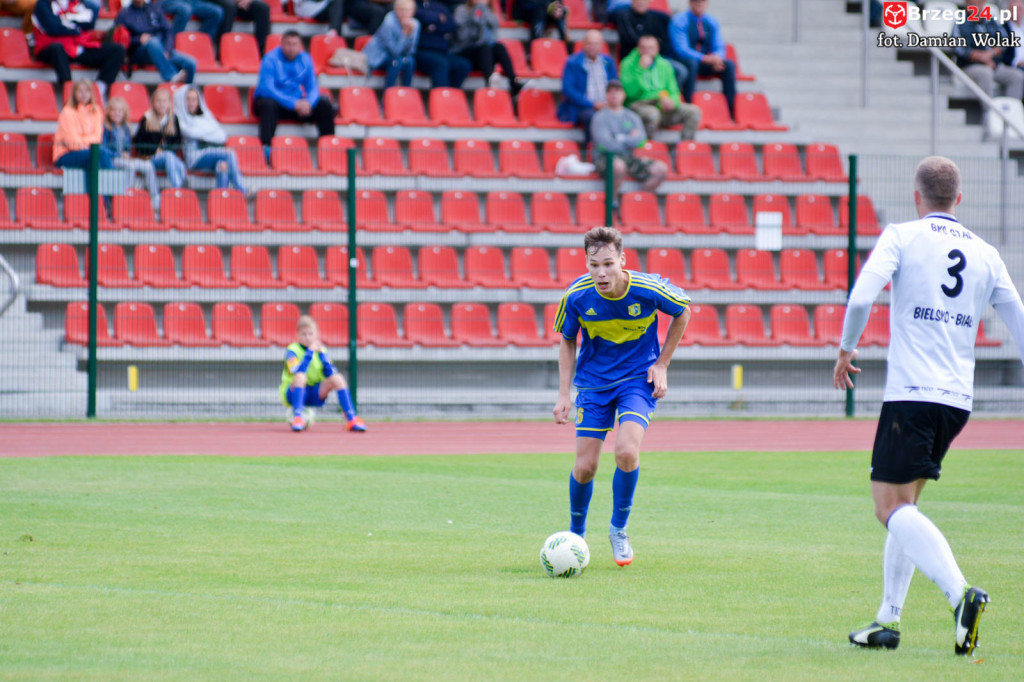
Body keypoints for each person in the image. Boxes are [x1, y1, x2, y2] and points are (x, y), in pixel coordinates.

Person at [834, 156, 1024, 655]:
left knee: (888, 507)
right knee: (907, 505)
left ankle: (961, 594)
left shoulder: (902, 235)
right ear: (958, 199)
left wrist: (846, 349)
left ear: (917, 197)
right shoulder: (986, 252)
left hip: (912, 394)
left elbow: (859, 299)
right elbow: (1018, 320)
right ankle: (887, 621)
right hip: (957, 400)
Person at [552, 226, 690, 567]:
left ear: (622, 261)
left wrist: (662, 364)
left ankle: (618, 529)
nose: (601, 273)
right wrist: (563, 393)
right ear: (586, 263)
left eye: (609, 264)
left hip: (636, 380)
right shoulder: (576, 296)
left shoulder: (647, 288)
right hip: (594, 383)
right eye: (594, 265)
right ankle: (576, 537)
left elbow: (683, 310)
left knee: (627, 452)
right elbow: (567, 340)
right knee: (585, 468)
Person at [253, 30, 336, 155]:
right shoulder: (270, 59)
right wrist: (294, 104)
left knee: (324, 104)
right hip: (275, 103)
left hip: (297, 104)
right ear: (282, 44)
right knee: (268, 105)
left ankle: (330, 149)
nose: (291, 48)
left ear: (300, 45)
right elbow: (267, 89)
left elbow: (313, 87)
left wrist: (308, 103)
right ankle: (266, 149)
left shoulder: (306, 59)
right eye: (288, 44)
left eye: (294, 44)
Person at [280, 315, 367, 433]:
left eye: (310, 334)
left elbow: (330, 372)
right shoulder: (293, 350)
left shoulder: (322, 350)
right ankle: (297, 417)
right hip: (293, 393)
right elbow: (296, 371)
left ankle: (351, 418)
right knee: (300, 377)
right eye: (303, 334)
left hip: (315, 393)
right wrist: (309, 353)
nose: (307, 337)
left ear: (316, 335)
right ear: (297, 335)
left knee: (338, 378)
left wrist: (322, 356)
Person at [591, 79, 668, 201]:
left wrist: (618, 138)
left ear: (623, 94)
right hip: (605, 158)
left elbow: (641, 140)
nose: (614, 94)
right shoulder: (599, 117)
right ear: (606, 95)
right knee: (618, 166)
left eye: (617, 91)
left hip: (628, 157)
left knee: (660, 169)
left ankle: (638, 203)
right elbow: (606, 144)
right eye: (610, 91)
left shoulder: (632, 116)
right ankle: (612, 203)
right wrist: (629, 138)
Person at [32, 0, 126, 100]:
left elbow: (89, 21)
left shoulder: (76, 3)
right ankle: (69, 93)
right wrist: (74, 26)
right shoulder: (43, 4)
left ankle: (98, 91)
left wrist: (64, 21)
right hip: (51, 48)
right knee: (57, 48)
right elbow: (53, 27)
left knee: (118, 50)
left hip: (77, 47)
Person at [619, 35, 701, 140]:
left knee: (693, 111)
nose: (647, 51)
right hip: (638, 106)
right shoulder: (627, 64)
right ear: (638, 48)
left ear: (657, 49)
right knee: (652, 114)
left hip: (661, 106)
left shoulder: (664, 65)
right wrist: (640, 69)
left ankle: (685, 149)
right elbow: (630, 92)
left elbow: (673, 90)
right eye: (643, 48)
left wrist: (672, 102)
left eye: (651, 48)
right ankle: (646, 148)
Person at [174, 85, 248, 194]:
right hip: (195, 158)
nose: (191, 103)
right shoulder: (179, 118)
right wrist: (208, 132)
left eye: (194, 99)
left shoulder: (205, 116)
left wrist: (200, 134)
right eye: (188, 99)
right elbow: (189, 132)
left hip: (210, 156)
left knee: (223, 166)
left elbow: (221, 136)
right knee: (229, 154)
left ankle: (220, 201)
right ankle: (241, 190)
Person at [670, 0, 737, 118]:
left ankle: (731, 111)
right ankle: (688, 106)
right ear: (690, 3)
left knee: (729, 65)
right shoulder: (680, 20)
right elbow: (681, 49)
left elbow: (719, 45)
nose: (699, 4)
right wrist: (704, 58)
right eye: (695, 1)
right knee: (692, 64)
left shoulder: (711, 21)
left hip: (705, 61)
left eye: (702, 1)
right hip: (686, 61)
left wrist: (717, 58)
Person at [557, 30, 618, 161]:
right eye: (590, 43)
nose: (593, 47)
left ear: (602, 45)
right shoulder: (573, 62)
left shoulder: (608, 62)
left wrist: (610, 102)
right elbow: (568, 90)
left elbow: (615, 85)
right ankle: (591, 157)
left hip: (607, 106)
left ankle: (617, 156)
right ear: (583, 44)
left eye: (596, 44)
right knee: (593, 118)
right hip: (582, 108)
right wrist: (593, 104)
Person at [102, 95, 162, 213]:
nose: (117, 114)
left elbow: (127, 147)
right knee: (130, 166)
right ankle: (126, 195)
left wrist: (126, 153)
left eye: (120, 111)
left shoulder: (126, 128)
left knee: (148, 166)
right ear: (109, 112)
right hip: (113, 159)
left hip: (124, 159)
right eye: (114, 110)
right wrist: (120, 154)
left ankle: (155, 199)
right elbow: (103, 149)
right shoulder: (106, 128)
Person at [453, 0, 527, 95]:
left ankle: (513, 81)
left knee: (499, 47)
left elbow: (494, 31)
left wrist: (483, 12)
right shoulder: (461, 11)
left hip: (484, 56)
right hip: (465, 51)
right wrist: (474, 17)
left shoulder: (488, 12)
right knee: (485, 47)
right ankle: (489, 81)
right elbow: (462, 37)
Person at [116, 0, 197, 84]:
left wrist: (167, 50)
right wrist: (138, 39)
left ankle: (186, 91)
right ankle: (171, 76)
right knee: (153, 42)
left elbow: (167, 32)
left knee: (191, 63)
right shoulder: (124, 13)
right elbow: (120, 39)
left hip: (161, 48)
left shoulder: (154, 8)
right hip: (139, 51)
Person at [616, 0, 688, 94]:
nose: (640, 3)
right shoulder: (625, 15)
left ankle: (666, 97)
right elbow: (630, 92)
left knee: (681, 70)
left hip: (657, 58)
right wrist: (640, 67)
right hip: (635, 59)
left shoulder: (658, 18)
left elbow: (664, 43)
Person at [953, 16, 1023, 102]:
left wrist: (991, 53)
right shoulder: (960, 22)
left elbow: (1004, 40)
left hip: (994, 64)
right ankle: (989, 112)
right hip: (970, 65)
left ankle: (1010, 111)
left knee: (1017, 76)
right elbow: (960, 48)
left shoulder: (991, 22)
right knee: (986, 73)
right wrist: (983, 58)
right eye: (973, 3)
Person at [132, 87, 187, 194]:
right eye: (158, 101)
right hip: (150, 158)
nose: (161, 104)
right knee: (170, 157)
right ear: (153, 103)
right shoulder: (146, 119)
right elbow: (138, 142)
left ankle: (182, 188)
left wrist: (165, 150)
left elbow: (177, 142)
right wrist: (153, 151)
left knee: (179, 164)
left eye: (164, 101)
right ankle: (179, 190)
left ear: (169, 103)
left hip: (168, 158)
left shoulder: (173, 119)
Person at [54, 79, 113, 175]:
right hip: (65, 155)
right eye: (80, 91)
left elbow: (98, 138)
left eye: (87, 91)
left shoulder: (96, 111)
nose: (84, 94)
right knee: (100, 154)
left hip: (89, 152)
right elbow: (72, 143)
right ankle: (110, 188)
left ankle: (99, 189)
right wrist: (89, 142)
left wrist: (82, 140)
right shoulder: (67, 112)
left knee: (97, 159)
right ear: (74, 94)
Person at [362, 0, 419, 88]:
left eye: (407, 10)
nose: (404, 13)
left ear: (413, 12)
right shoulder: (389, 22)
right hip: (380, 56)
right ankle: (388, 95)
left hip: (398, 55)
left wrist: (410, 36)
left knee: (410, 61)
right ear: (396, 10)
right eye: (402, 10)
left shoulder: (415, 24)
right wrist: (404, 35)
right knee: (396, 62)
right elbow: (394, 50)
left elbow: (411, 51)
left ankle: (406, 93)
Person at [414, 0, 471, 89]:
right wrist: (438, 18)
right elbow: (421, 16)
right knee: (441, 64)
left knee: (463, 65)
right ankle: (440, 99)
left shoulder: (440, 6)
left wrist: (432, 26)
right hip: (422, 51)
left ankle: (449, 96)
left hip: (442, 51)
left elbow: (451, 25)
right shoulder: (415, 4)